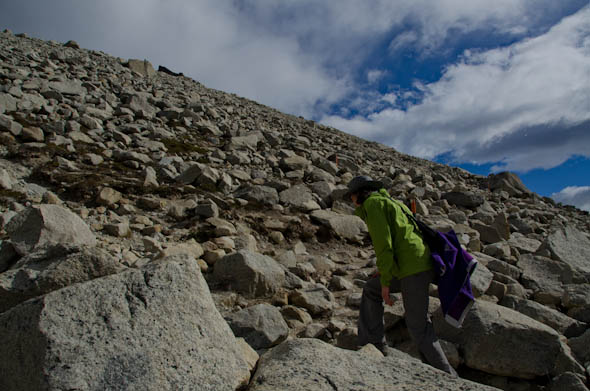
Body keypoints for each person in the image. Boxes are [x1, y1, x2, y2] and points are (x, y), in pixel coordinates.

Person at [345, 175, 457, 376]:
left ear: (359, 194)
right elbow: (403, 238)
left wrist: (386, 283)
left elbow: (384, 247)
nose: (351, 200)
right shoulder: (391, 202)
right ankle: (373, 345)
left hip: (413, 269)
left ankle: (447, 377)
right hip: (415, 263)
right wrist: (384, 274)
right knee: (371, 288)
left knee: (418, 326)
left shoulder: (373, 205)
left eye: (351, 196)